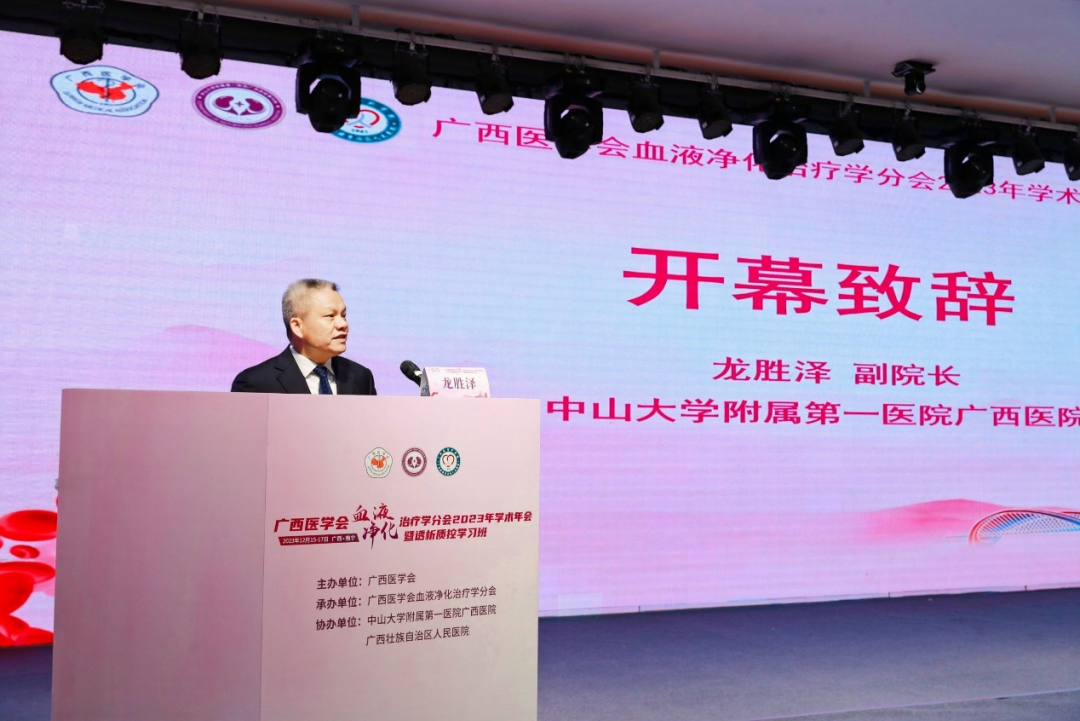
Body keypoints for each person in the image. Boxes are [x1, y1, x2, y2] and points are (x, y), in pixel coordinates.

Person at [231, 279, 376, 395]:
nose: (343, 324)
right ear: (297, 327)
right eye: (330, 316)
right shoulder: (255, 383)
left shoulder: (361, 377)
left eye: (343, 315)